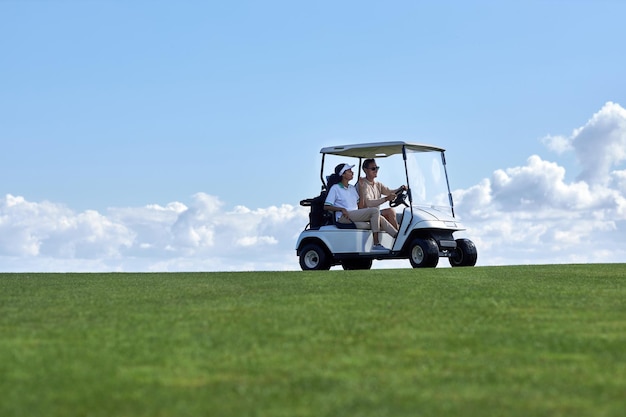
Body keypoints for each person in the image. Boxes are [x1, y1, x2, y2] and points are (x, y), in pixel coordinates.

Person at [324, 163, 398, 251]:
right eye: (349, 171)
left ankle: (398, 237)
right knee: (375, 211)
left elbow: (360, 206)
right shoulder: (335, 188)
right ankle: (376, 244)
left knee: (380, 218)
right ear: (343, 174)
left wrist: (362, 189)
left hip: (354, 215)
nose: (352, 173)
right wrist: (341, 209)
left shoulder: (352, 188)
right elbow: (326, 206)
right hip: (344, 217)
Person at [358, 158, 406, 230]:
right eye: (373, 168)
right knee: (390, 212)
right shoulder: (362, 184)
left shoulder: (378, 184)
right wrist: (386, 199)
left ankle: (397, 236)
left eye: (377, 168)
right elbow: (368, 203)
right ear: (365, 170)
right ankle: (399, 238)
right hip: (366, 214)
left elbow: (389, 192)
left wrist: (401, 188)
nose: (376, 170)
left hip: (376, 213)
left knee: (396, 218)